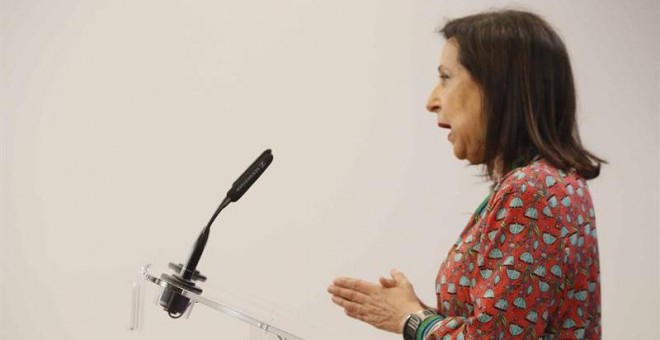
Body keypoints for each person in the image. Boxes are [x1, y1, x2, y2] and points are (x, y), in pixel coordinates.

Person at [328, 9, 604, 339]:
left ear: (498, 88)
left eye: (446, 77)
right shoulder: (555, 182)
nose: (432, 101)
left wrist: (409, 318)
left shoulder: (532, 190)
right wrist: (412, 312)